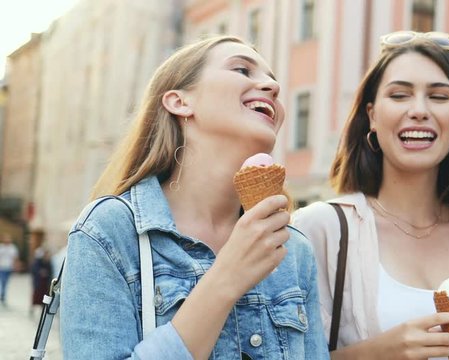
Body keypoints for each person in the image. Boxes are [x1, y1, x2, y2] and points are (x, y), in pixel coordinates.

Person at [60, 35, 328, 359]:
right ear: (179, 101)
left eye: (272, 79)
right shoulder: (109, 232)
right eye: (242, 70)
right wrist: (226, 278)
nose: (273, 87)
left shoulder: (292, 248)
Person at [293, 31, 449, 359]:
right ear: (373, 115)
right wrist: (377, 353)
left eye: (439, 97)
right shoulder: (319, 229)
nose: (419, 110)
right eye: (400, 95)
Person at [29, 230, 52, 315]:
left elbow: (48, 264)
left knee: (43, 291)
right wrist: (40, 271)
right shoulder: (37, 250)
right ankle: (34, 307)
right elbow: (35, 265)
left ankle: (43, 305)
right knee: (37, 291)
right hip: (38, 277)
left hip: (44, 278)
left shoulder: (44, 248)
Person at [0, 233, 19, 306]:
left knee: (6, 282)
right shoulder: (1, 247)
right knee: (3, 281)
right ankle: (2, 294)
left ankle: (3, 294)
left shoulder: (12, 248)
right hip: (2, 267)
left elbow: (15, 258)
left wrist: (15, 266)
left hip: (9, 267)